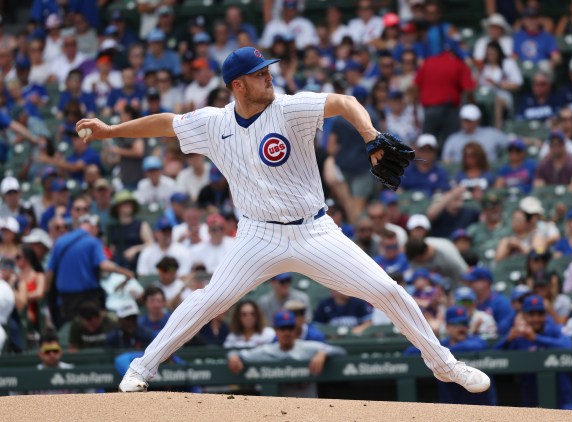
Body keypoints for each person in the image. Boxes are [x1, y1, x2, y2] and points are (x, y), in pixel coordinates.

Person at [78, 46, 490, 394]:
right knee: (209, 300)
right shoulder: (214, 123)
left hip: (314, 231)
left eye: (267, 70)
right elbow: (167, 124)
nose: (268, 78)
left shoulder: (289, 109)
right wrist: (110, 131)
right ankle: (142, 369)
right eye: (259, 74)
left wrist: (369, 135)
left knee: (387, 290)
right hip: (258, 235)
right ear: (237, 85)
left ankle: (444, 365)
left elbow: (343, 102)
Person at [227, 310, 346, 397]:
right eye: (282, 329)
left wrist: (323, 353)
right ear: (276, 331)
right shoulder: (267, 350)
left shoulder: (308, 347)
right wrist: (232, 356)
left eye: (290, 328)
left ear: (295, 330)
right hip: (279, 410)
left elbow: (341, 351)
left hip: (309, 408)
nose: (287, 332)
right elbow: (238, 353)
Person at [46, 214, 134, 325]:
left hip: (65, 298)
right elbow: (104, 265)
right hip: (87, 297)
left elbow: (50, 272)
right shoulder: (92, 241)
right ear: (93, 227)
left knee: (70, 330)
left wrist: (47, 293)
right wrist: (126, 272)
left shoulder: (60, 242)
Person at [495, 295, 572, 410]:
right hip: (531, 405)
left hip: (563, 402)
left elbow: (568, 346)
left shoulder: (554, 329)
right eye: (531, 315)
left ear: (545, 314)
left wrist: (536, 338)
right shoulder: (520, 336)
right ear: (523, 315)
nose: (536, 319)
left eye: (540, 314)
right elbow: (493, 356)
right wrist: (507, 340)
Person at [405, 305, 496, 406]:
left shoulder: (476, 341)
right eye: (456, 324)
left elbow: (478, 346)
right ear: (447, 327)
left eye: (464, 323)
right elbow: (409, 352)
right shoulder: (441, 345)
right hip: (451, 406)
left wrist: (439, 353)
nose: (461, 327)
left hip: (481, 406)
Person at [442, 104, 510, 163]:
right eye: (465, 120)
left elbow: (510, 143)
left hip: (488, 173)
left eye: (470, 120)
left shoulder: (491, 133)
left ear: (477, 121)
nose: (467, 123)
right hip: (462, 175)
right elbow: (446, 159)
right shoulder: (453, 139)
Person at [107, 190, 154, 271]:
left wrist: (135, 249)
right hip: (118, 267)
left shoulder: (141, 224)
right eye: (125, 204)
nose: (128, 206)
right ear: (118, 207)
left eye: (130, 204)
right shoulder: (112, 227)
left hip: (138, 266)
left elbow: (151, 244)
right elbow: (109, 248)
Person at [462, 266, 514, 334]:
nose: (468, 285)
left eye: (472, 282)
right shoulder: (467, 302)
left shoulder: (501, 304)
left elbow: (503, 333)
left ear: (485, 283)